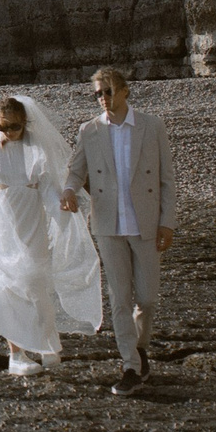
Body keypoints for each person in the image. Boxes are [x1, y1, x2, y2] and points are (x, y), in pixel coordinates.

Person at [60, 68, 178, 396]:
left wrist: (167, 221)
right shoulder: (89, 131)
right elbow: (75, 171)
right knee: (119, 299)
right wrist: (69, 191)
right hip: (108, 226)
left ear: (125, 91)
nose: (104, 99)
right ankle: (129, 364)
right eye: (98, 93)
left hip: (146, 224)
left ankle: (139, 348)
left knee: (148, 298)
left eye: (109, 91)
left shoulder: (152, 127)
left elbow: (167, 180)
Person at [0, 94, 102, 376]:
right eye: (3, 127)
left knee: (36, 282)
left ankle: (47, 344)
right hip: (0, 223)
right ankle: (16, 353)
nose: (8, 132)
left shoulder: (36, 147)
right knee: (5, 286)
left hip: (31, 220)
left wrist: (63, 209)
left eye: (14, 127)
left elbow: (46, 185)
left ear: (25, 124)